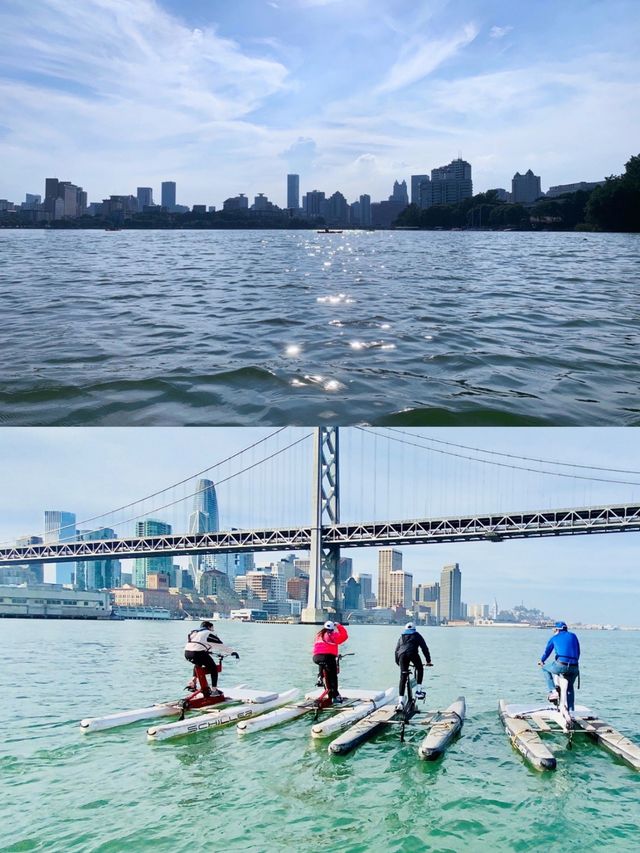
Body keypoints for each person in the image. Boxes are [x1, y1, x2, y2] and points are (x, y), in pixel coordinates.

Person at [184, 620, 239, 697]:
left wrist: (207, 651)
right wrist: (232, 652)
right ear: (209, 627)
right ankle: (214, 690)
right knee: (213, 668)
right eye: (212, 628)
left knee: (198, 664)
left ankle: (193, 681)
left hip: (187, 653)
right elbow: (220, 645)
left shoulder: (194, 632)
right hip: (198, 653)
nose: (213, 630)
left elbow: (197, 644)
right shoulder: (208, 633)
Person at [538, 621, 580, 710]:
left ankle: (553, 691)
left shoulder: (554, 638)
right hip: (574, 666)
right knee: (569, 688)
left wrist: (542, 661)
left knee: (545, 669)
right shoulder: (573, 636)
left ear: (557, 630)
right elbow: (578, 651)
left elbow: (547, 652)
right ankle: (571, 711)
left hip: (561, 665)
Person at [394, 622, 433, 710]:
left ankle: (400, 702)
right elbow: (424, 648)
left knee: (403, 677)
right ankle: (418, 691)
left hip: (401, 656)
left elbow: (396, 650)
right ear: (414, 629)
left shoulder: (401, 637)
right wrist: (428, 661)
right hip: (412, 653)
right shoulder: (417, 635)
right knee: (420, 668)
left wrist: (397, 662)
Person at [312, 620, 349, 704]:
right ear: (332, 629)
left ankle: (320, 677)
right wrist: (339, 626)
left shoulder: (319, 635)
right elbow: (344, 636)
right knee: (333, 676)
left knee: (323, 665)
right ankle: (335, 695)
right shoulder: (333, 635)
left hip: (316, 657)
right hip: (328, 657)